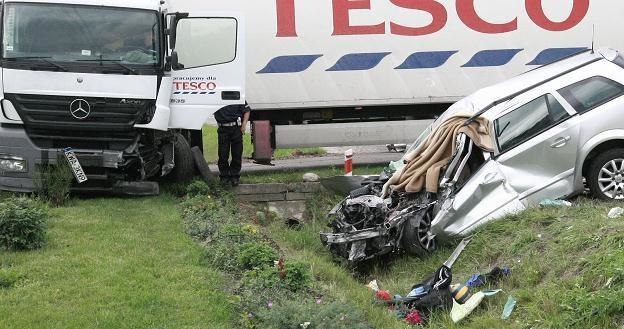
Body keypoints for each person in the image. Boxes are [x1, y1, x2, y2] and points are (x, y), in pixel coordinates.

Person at [215, 102, 251, 187]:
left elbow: (247, 110)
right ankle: (224, 177)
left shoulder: (237, 95)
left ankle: (235, 176)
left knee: (237, 154)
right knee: (223, 154)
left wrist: (244, 125)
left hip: (236, 128)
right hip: (222, 129)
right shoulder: (218, 96)